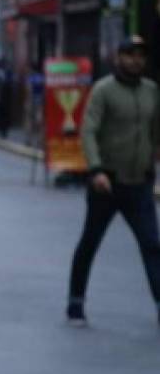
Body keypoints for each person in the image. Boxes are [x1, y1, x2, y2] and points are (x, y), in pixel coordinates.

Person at [67, 36, 160, 326]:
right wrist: (96, 170)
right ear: (118, 58)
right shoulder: (103, 90)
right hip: (106, 183)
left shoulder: (152, 91)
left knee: (152, 245)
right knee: (90, 242)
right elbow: (89, 130)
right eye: (129, 55)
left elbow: (155, 133)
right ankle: (76, 302)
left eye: (140, 56)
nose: (135, 60)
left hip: (139, 183)